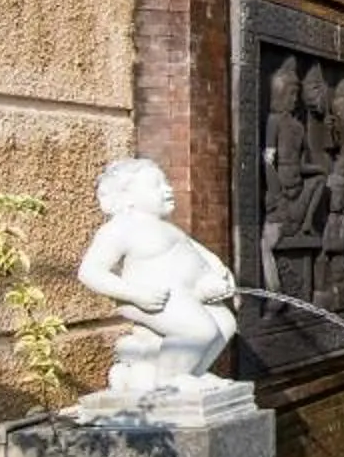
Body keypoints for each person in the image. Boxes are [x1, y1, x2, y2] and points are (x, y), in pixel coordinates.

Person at [74, 157, 242, 404]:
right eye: (157, 185)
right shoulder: (121, 228)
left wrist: (218, 273)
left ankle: (190, 371)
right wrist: (135, 294)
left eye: (167, 183)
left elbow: (202, 256)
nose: (168, 189)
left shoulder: (168, 228)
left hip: (183, 298)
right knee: (199, 329)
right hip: (150, 298)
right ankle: (169, 378)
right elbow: (89, 272)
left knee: (224, 322)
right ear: (127, 197)